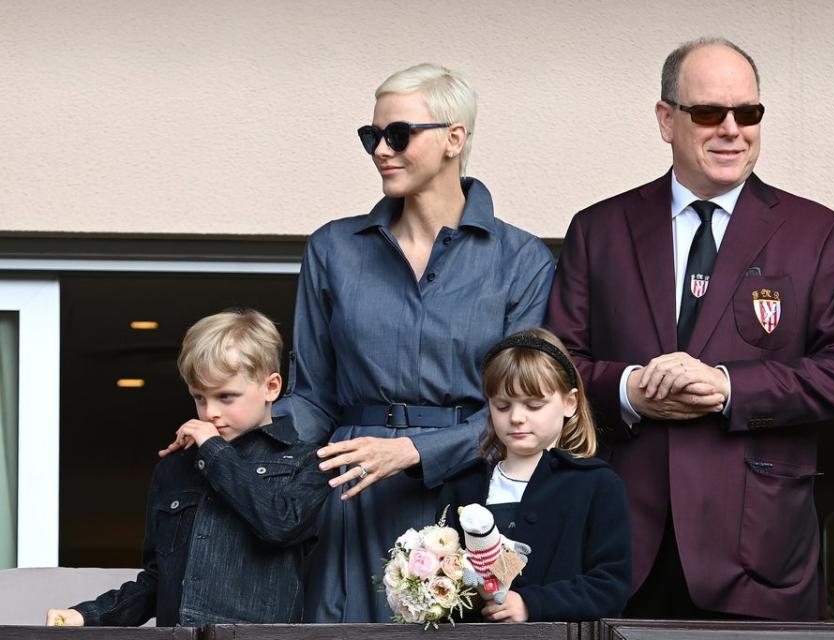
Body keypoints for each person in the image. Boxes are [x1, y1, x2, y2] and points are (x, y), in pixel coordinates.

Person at [545, 38, 834, 620]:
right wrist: (630, 390)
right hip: (620, 552)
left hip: (760, 560)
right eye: (709, 113)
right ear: (666, 119)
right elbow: (556, 369)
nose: (732, 129)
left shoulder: (819, 234)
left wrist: (728, 388)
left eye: (748, 113)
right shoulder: (598, 230)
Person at [273, 63, 555, 622]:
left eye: (398, 134)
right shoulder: (332, 249)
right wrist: (242, 433)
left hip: (473, 495)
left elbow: (524, 407)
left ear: (455, 139)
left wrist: (414, 451)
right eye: (371, 136)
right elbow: (312, 396)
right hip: (351, 492)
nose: (381, 149)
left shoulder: (522, 260)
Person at [46, 310, 332, 627]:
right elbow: (158, 581)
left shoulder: (309, 461)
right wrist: (87, 615)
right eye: (199, 397)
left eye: (226, 397)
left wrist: (214, 451)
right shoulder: (174, 470)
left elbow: (279, 524)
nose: (211, 413)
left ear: (271, 387)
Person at [438, 327, 632, 622]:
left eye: (534, 405)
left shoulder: (598, 485)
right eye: (502, 405)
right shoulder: (463, 485)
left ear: (569, 403)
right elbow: (445, 581)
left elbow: (610, 586)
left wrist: (531, 604)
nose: (516, 417)